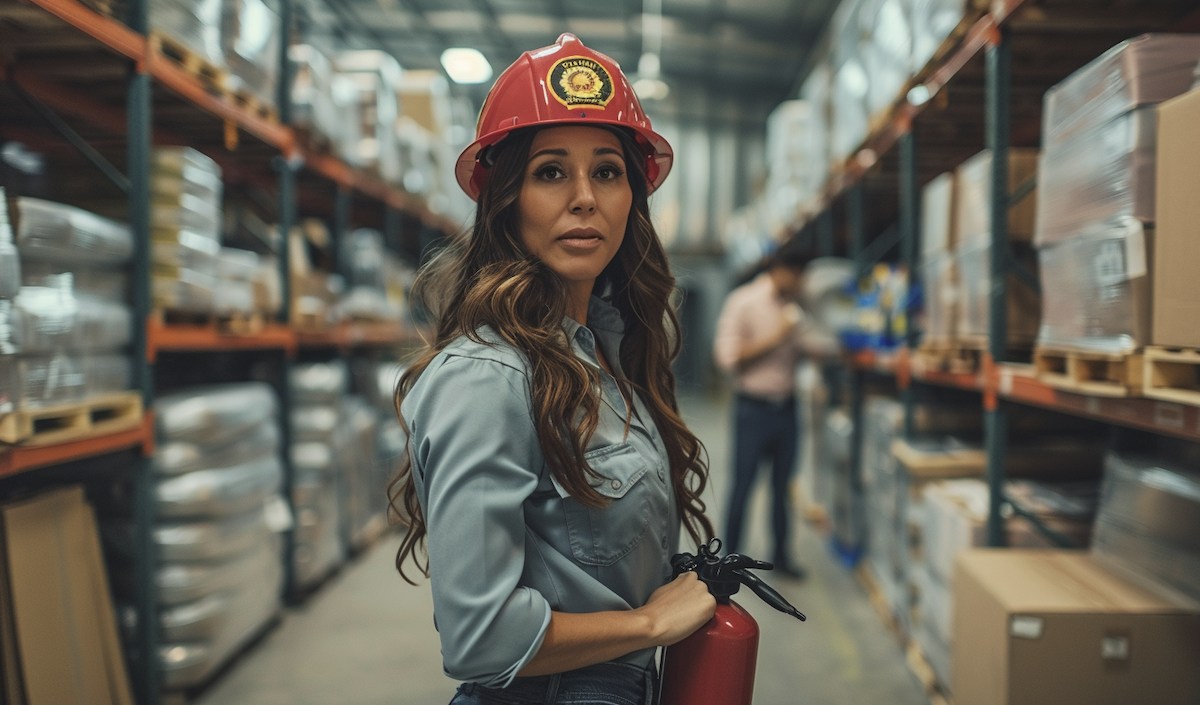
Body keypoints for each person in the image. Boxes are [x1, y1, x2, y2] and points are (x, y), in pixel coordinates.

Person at [388, 34, 716, 705]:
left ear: (632, 197)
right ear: (505, 200)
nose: (585, 198)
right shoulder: (486, 378)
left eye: (607, 171)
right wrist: (651, 623)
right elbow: (479, 637)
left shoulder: (607, 356)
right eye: (549, 172)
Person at [712, 249, 812, 579]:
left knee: (783, 487)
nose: (799, 283)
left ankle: (781, 557)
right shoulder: (744, 301)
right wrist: (779, 336)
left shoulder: (796, 305)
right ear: (778, 269)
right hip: (752, 409)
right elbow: (728, 358)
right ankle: (729, 562)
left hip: (787, 408)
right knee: (743, 485)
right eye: (795, 275)